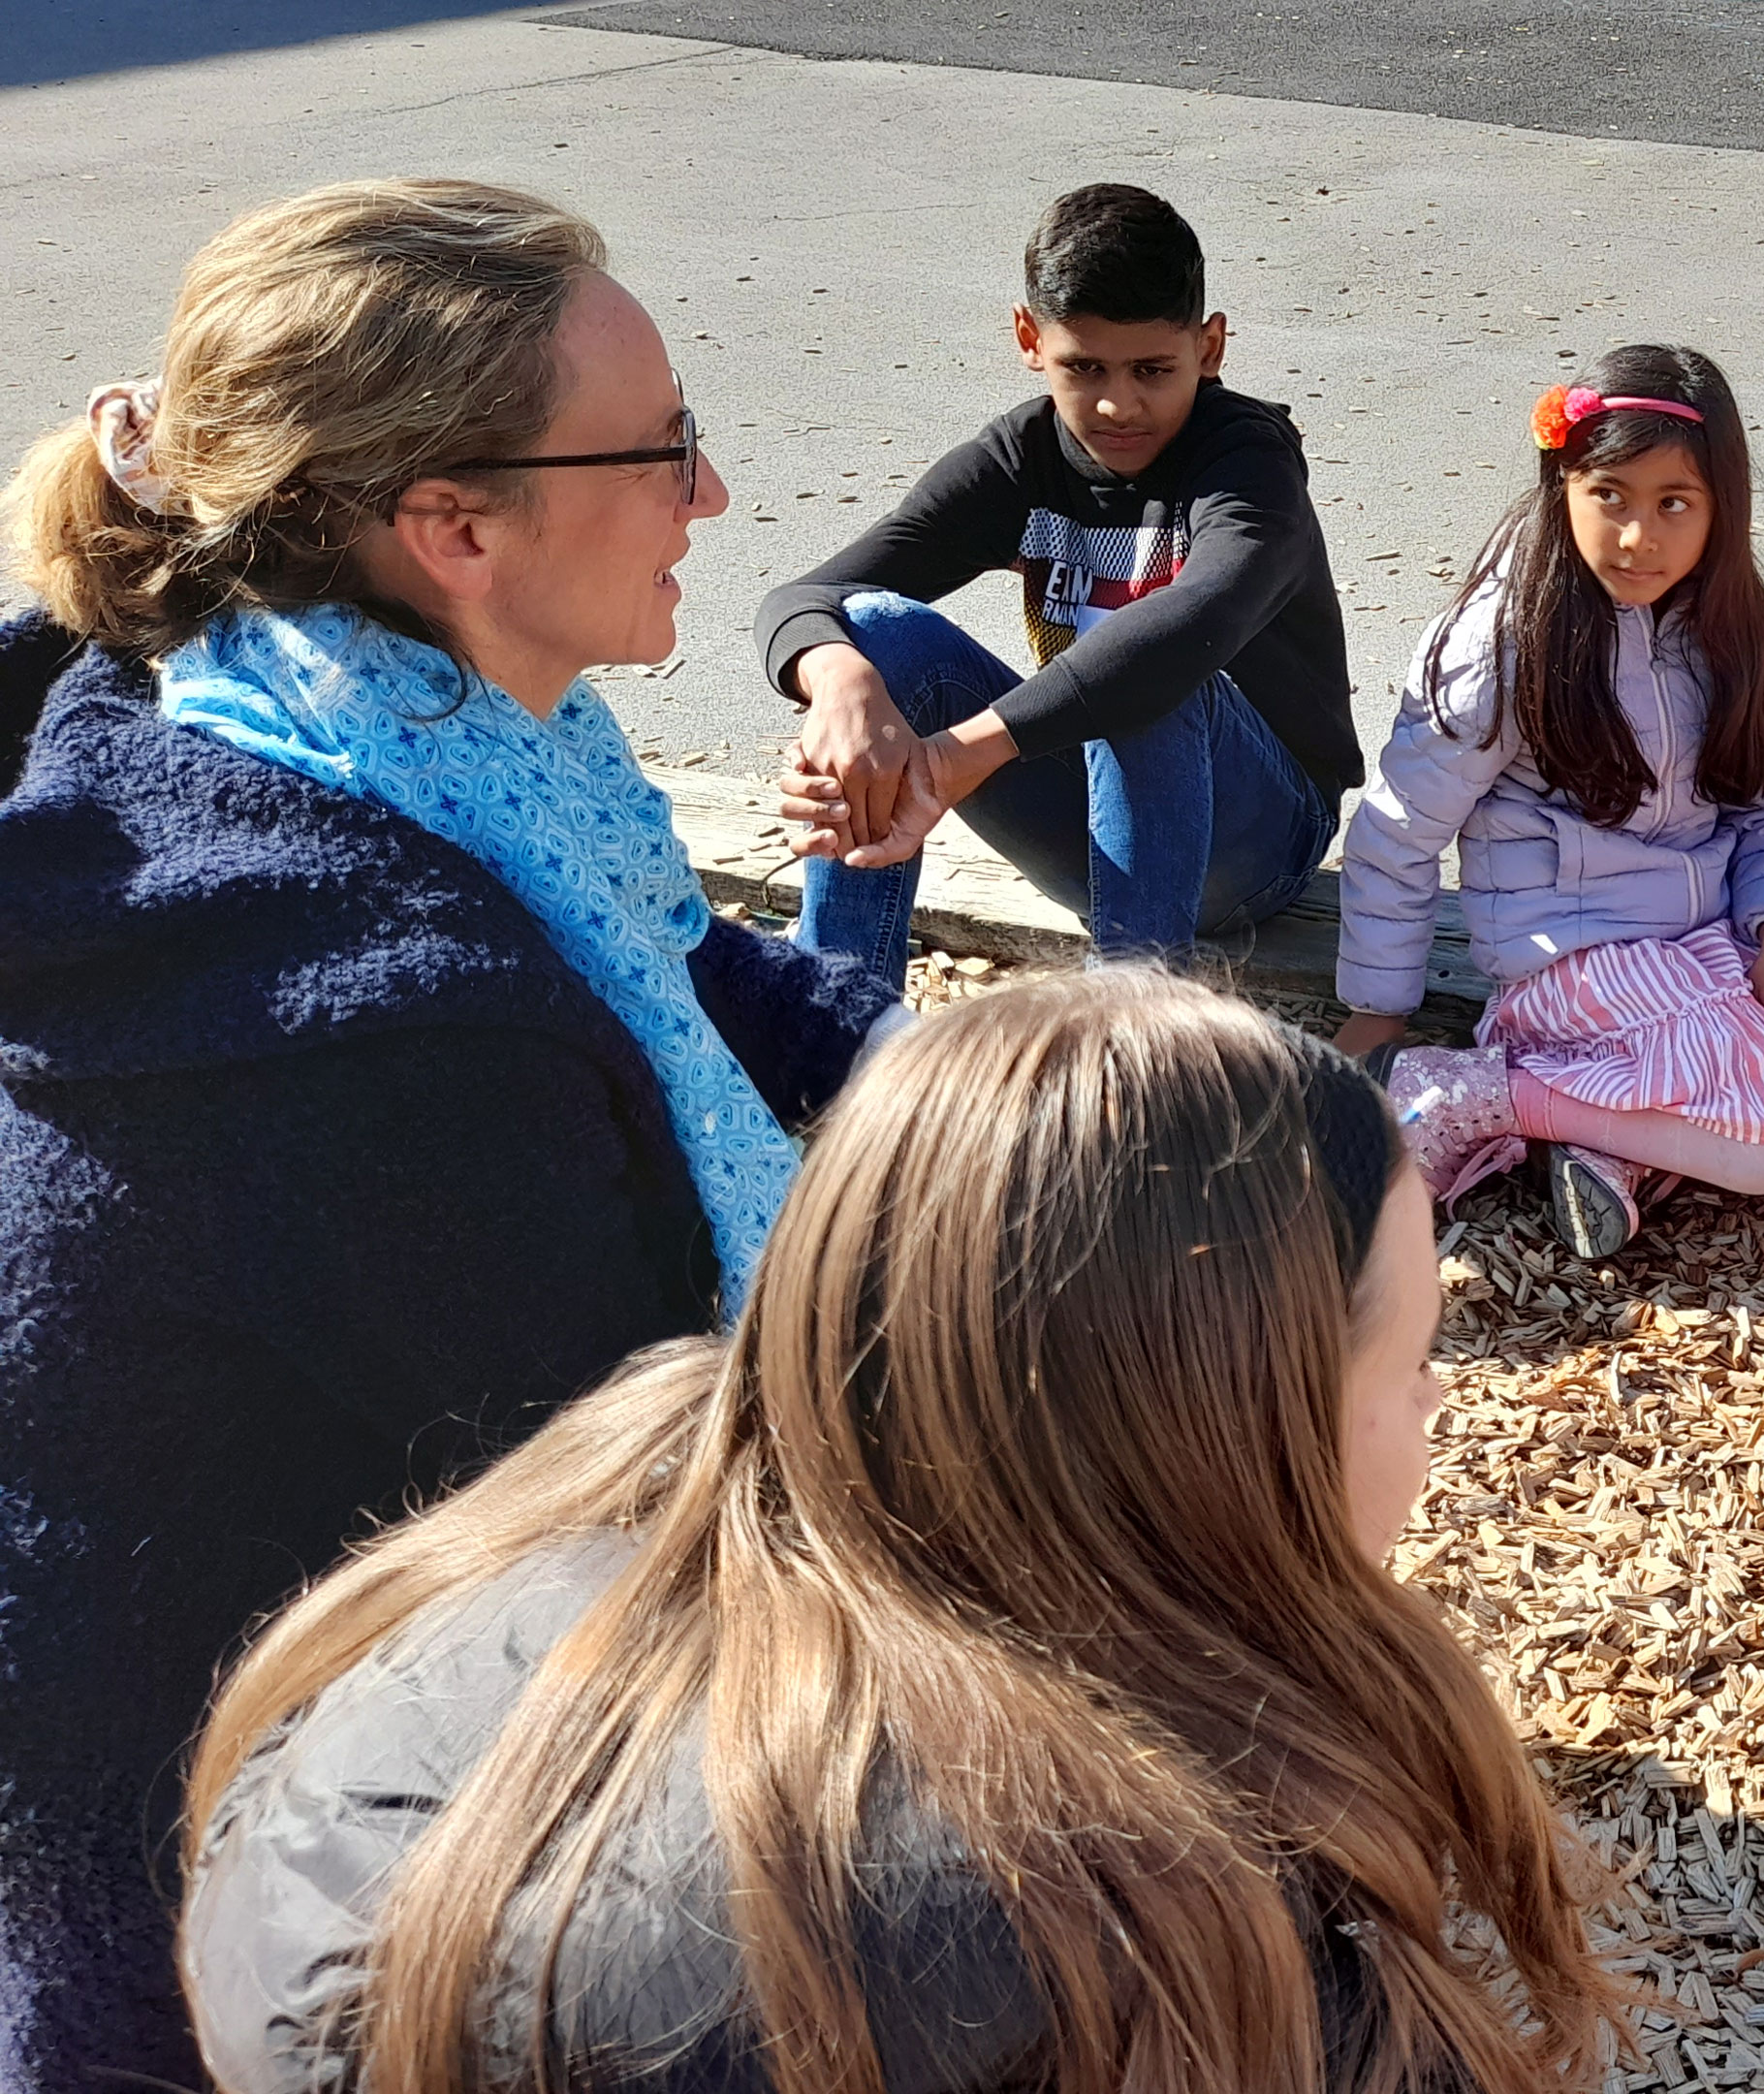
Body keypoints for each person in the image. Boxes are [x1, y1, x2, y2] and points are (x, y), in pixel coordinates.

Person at [0, 180, 898, 2089]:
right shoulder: (376, 1026)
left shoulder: (392, 721)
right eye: (661, 450)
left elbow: (681, 966)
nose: (715, 499)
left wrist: (1013, 1089)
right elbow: (680, 1522)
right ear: (451, 527)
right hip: (210, 1921)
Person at [180, 972, 1618, 2094]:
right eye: (1416, 1356)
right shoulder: (1173, 1937)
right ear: (1219, 1422)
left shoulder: (486, 1587)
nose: (1439, 1407)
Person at [1331, 345, 1764, 1259]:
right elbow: (1399, 828)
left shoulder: (1737, 624)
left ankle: (1618, 1142)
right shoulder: (1509, 640)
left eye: (1674, 504)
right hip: (1574, 963)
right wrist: (1378, 1011)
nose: (1639, 537)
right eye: (1610, 497)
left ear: (1721, 507)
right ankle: (1479, 1092)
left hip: (1707, 939)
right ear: (1564, 486)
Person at [765, 183, 1358, 964]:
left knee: (1148, 668)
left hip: (1255, 841)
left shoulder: (1247, 464)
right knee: (872, 633)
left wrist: (954, 755)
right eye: (1085, 368)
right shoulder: (1021, 458)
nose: (1118, 405)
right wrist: (841, 689)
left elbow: (1191, 626)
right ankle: (837, 1012)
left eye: (1152, 369)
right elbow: (807, 598)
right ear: (1029, 339)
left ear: (1209, 348)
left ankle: (1130, 1029)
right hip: (1084, 819)